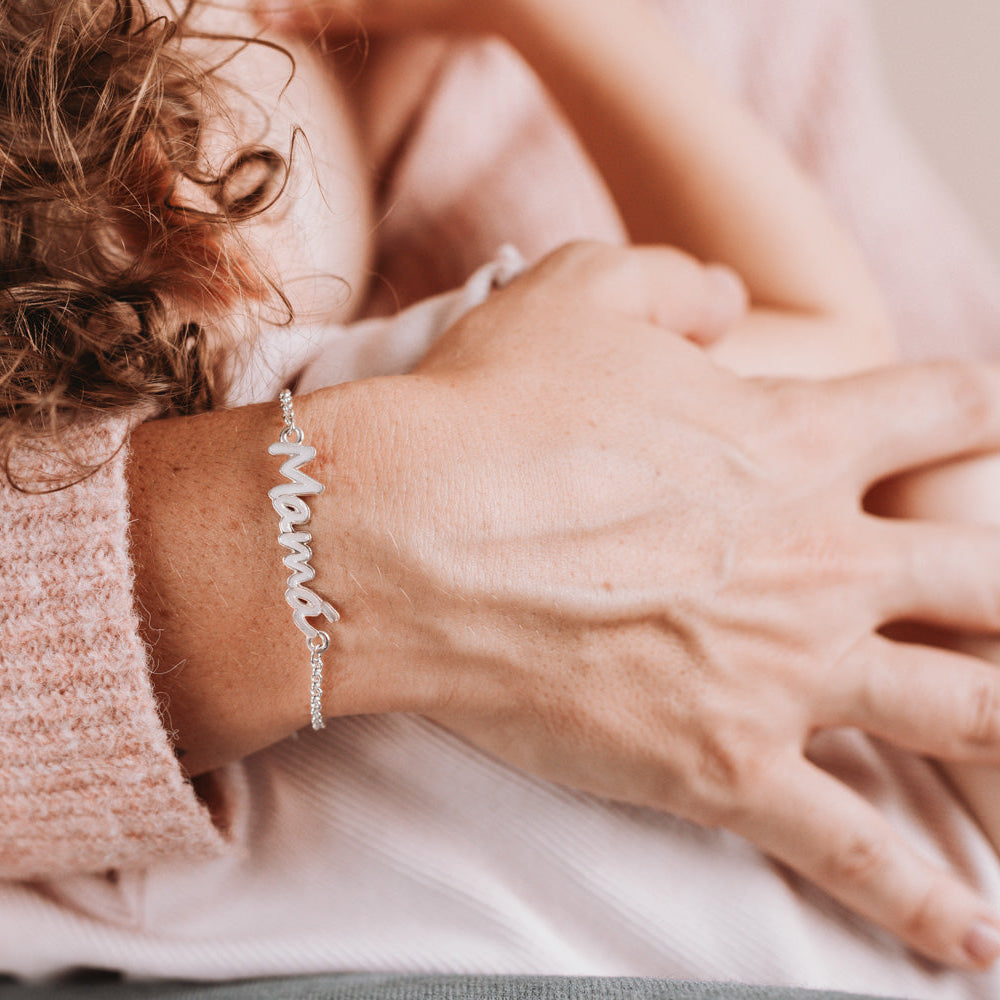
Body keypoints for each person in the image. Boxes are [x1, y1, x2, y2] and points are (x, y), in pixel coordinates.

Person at [5, 0, 1000, 996]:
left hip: (874, 952)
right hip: (943, 855)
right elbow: (826, 340)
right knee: (943, 459)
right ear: (182, 204)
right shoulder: (458, 374)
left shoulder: (104, 850)